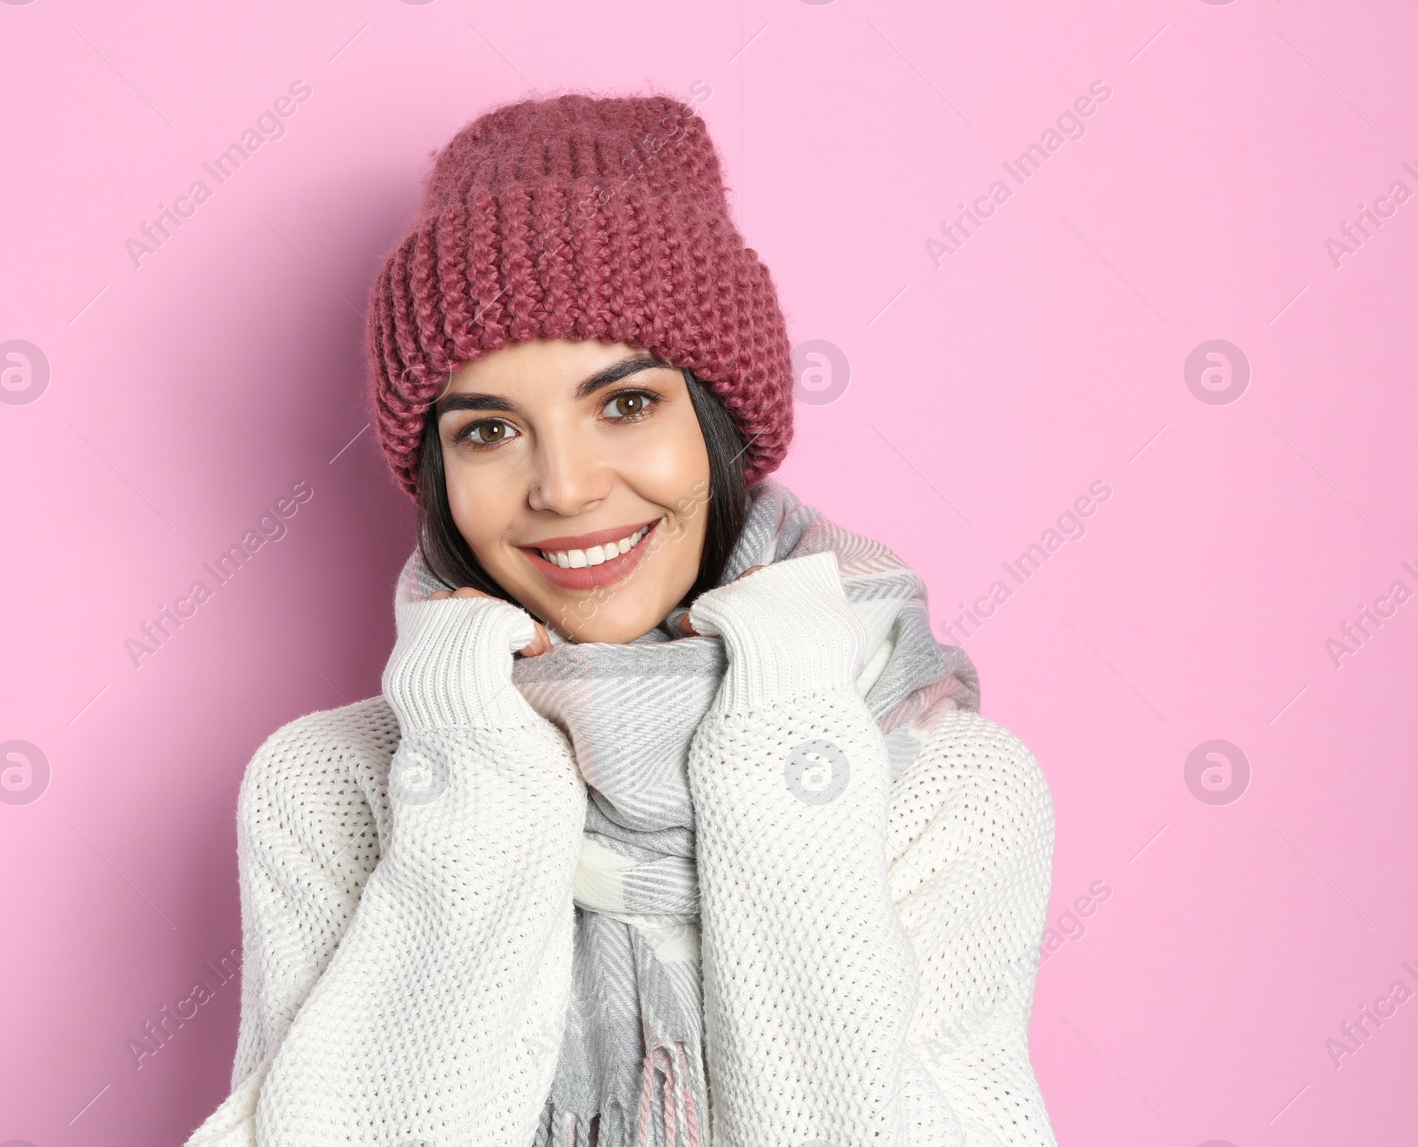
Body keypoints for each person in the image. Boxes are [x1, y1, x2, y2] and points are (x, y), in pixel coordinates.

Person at [183, 93, 1058, 1147]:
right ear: (435, 472)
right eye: (490, 429)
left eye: (626, 404)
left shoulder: (943, 782)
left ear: (720, 422)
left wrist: (782, 728)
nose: (562, 487)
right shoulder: (325, 785)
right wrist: (475, 769)